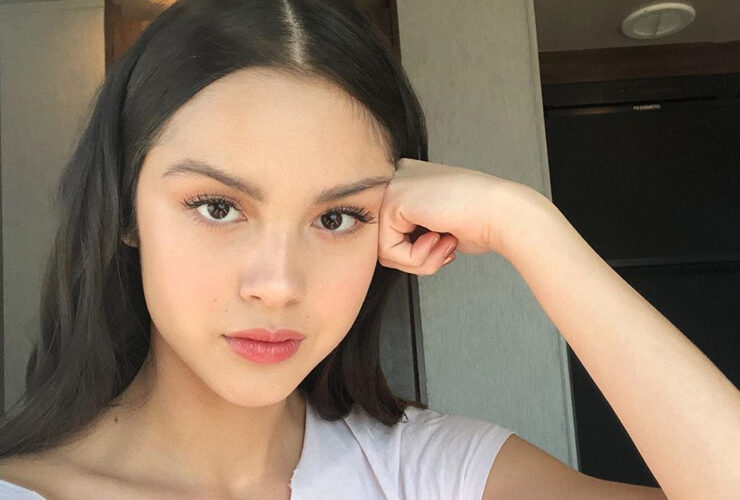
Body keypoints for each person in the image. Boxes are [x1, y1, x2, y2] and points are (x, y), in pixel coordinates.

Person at [0, 0, 738, 498]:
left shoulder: (428, 473)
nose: (277, 284)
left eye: (337, 217)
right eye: (217, 207)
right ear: (125, 210)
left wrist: (528, 223)